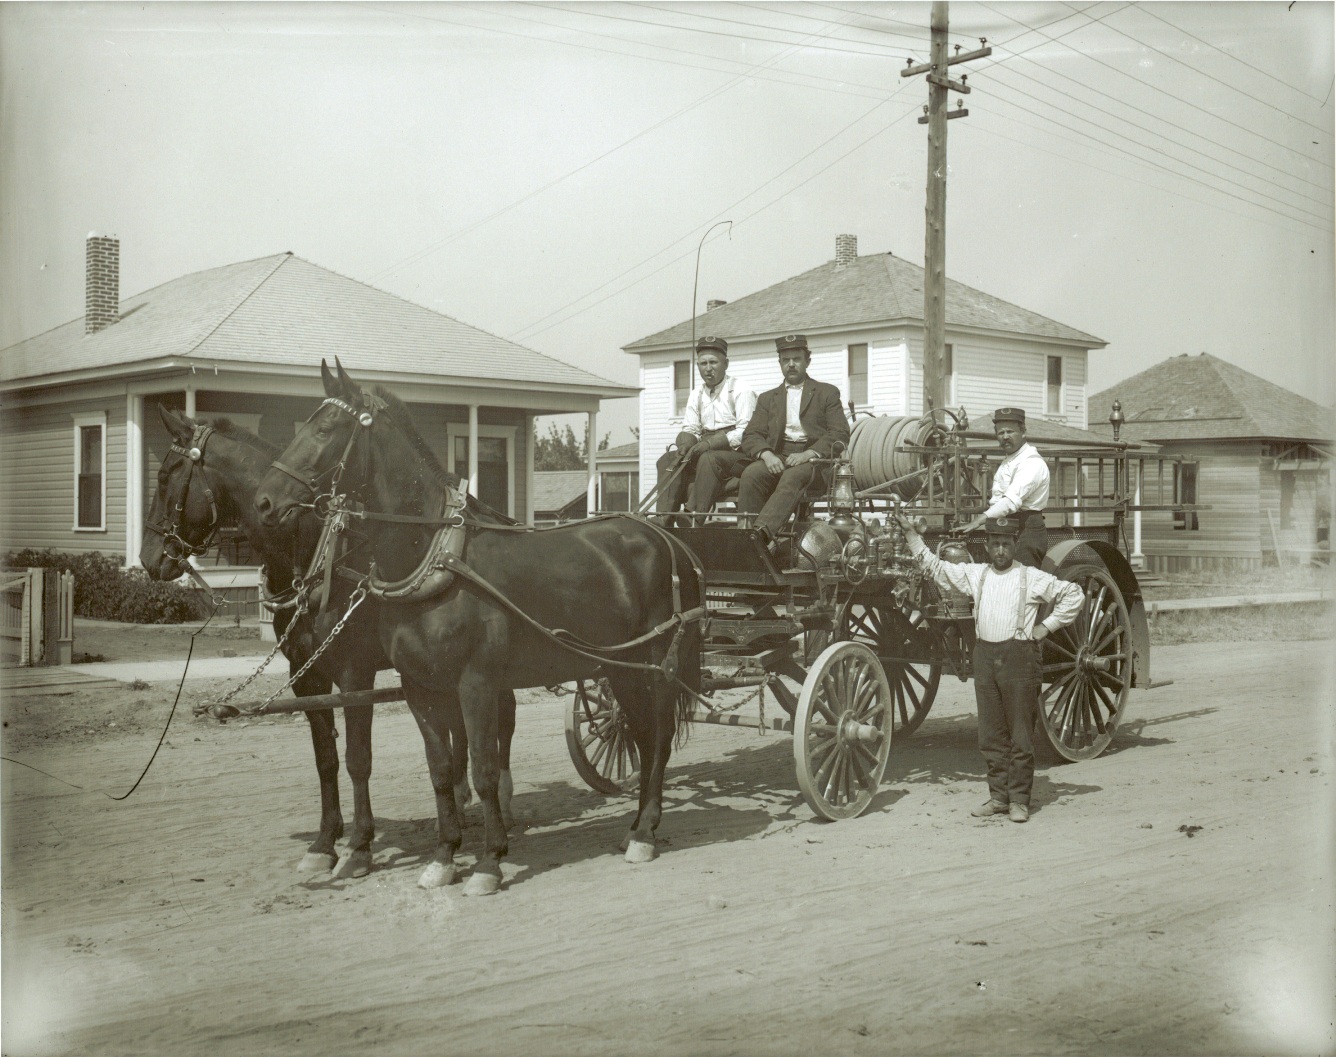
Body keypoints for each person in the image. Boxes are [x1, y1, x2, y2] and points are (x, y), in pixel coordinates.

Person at [895, 512, 1084, 823]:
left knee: (1020, 735)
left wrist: (1045, 627)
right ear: (987, 547)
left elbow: (1073, 594)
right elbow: (936, 568)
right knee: (991, 736)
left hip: (1019, 660)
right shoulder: (976, 574)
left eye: (1006, 544)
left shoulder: (1030, 577)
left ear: (1014, 544)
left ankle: (1019, 800)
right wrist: (911, 536)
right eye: (995, 544)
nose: (1000, 550)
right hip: (984, 658)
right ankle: (998, 797)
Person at [692, 334, 849, 546]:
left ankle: (760, 536)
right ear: (780, 363)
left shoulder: (827, 393)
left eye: (796, 359)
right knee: (752, 473)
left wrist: (807, 454)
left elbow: (840, 433)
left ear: (807, 361)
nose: (791, 364)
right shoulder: (768, 398)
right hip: (779, 455)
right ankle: (745, 533)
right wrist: (766, 455)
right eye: (786, 360)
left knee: (792, 476)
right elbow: (751, 434)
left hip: (815, 462)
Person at [653, 336, 755, 521]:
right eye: (703, 363)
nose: (708, 368)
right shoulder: (696, 394)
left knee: (709, 458)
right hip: (704, 450)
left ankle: (693, 516)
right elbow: (691, 427)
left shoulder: (741, 389)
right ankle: (663, 518)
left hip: (737, 455)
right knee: (668, 458)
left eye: (713, 362)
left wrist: (710, 444)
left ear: (726, 363)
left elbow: (746, 432)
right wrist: (685, 443)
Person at [956, 407, 1050, 568]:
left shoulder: (1032, 462)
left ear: (1023, 431)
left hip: (1026, 530)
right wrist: (988, 476)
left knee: (1022, 579)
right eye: (1000, 433)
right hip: (1006, 528)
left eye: (1010, 431)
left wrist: (977, 521)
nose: (1005, 437)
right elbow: (999, 497)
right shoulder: (1010, 460)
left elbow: (1010, 502)